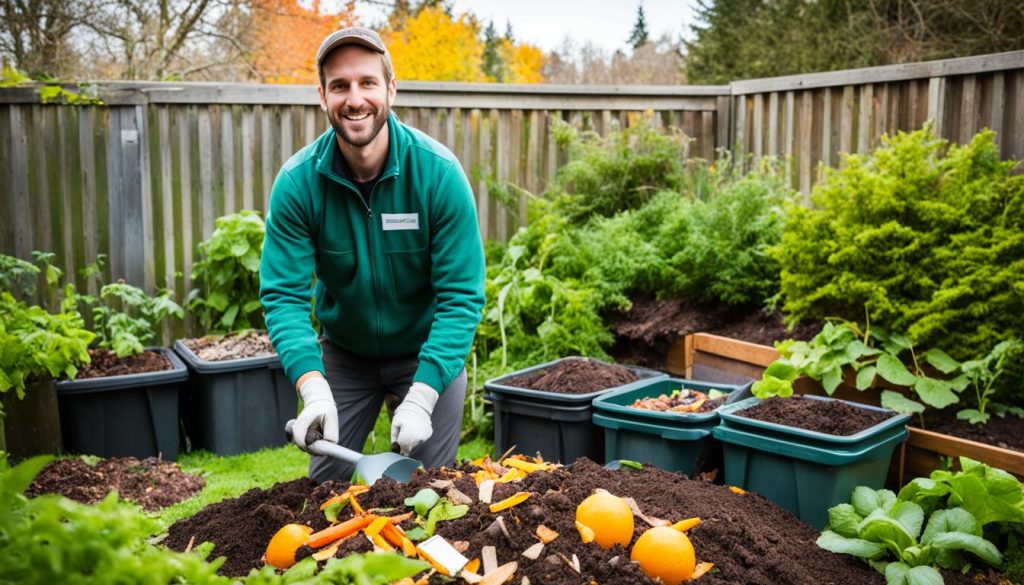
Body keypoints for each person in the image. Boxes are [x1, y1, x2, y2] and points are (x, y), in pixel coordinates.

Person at [259, 26, 486, 483]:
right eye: (340, 86)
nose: (354, 98)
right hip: (344, 356)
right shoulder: (299, 182)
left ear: (391, 89)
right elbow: (283, 296)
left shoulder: (438, 175)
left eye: (367, 82)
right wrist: (314, 386)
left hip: (427, 352)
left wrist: (423, 395)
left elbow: (461, 297)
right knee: (323, 495)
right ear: (322, 96)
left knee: (433, 493)